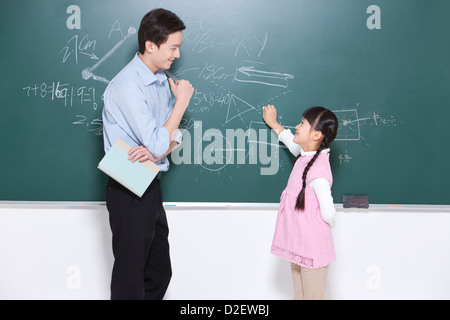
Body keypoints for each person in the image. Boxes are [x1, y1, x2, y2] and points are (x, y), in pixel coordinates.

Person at [101, 8, 194, 300]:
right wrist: (181, 104)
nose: (177, 55)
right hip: (127, 184)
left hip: (149, 181)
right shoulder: (128, 84)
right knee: (130, 276)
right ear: (151, 45)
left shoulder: (160, 80)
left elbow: (172, 138)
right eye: (173, 47)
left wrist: (157, 149)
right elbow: (159, 141)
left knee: (158, 271)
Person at [262, 104, 338, 300]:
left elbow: (329, 213)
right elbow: (291, 141)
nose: (297, 126)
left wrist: (315, 230)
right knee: (300, 296)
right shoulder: (306, 157)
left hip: (312, 248)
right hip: (299, 245)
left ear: (316, 135)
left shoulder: (319, 170)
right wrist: (273, 123)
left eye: (303, 124)